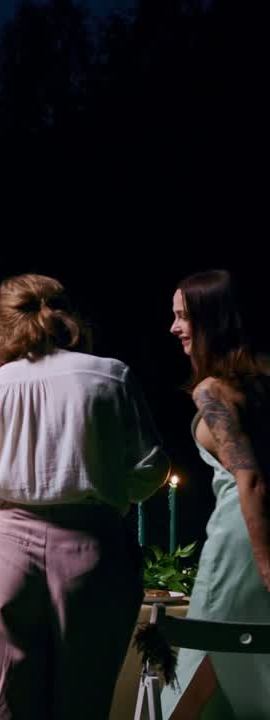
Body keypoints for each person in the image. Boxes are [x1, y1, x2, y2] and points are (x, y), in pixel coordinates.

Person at [0, 273, 168, 718]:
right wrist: (101, 489)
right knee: (83, 701)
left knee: (2, 701)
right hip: (94, 548)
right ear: (68, 317)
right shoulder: (110, 376)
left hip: (12, 550)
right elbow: (151, 467)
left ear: (0, 326)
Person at [162, 270, 270, 719]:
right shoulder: (262, 379)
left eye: (183, 316)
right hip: (254, 537)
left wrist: (266, 564)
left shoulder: (212, 391)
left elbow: (251, 479)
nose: (174, 328)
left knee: (202, 656)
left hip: (242, 543)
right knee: (243, 660)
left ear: (213, 319)